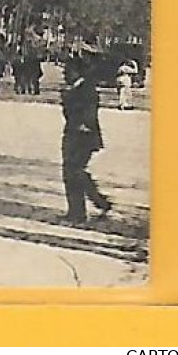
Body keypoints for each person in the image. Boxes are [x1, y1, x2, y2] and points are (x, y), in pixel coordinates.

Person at [60, 51, 113, 225]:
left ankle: (78, 213)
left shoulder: (87, 89)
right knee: (73, 172)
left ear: (78, 72)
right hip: (72, 135)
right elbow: (69, 114)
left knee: (74, 172)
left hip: (84, 136)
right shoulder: (74, 89)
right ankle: (98, 202)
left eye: (68, 71)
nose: (65, 74)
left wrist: (83, 125)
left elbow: (89, 111)